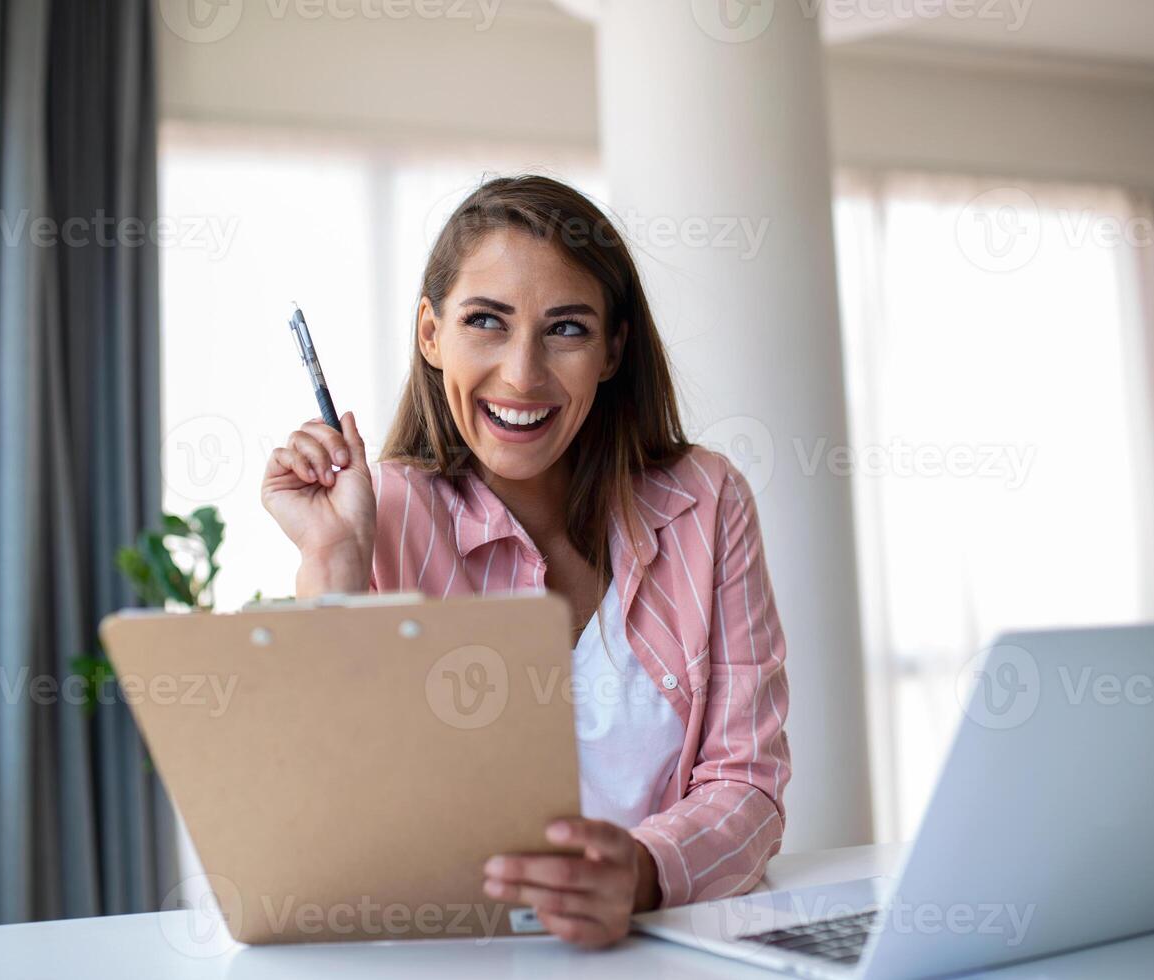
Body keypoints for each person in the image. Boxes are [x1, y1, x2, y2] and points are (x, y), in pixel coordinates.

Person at [262, 175, 789, 948]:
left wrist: (640, 873)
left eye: (566, 329)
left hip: (669, 956)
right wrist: (333, 564)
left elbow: (751, 785)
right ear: (430, 333)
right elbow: (321, 826)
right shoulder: (383, 518)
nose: (522, 374)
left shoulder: (705, 502)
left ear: (613, 349)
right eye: (486, 322)